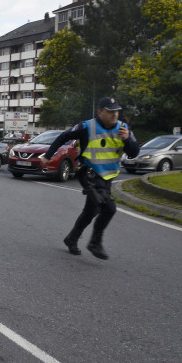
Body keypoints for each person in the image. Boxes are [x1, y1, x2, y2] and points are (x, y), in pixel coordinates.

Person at [39, 97, 139, 260]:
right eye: (110, 111)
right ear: (100, 112)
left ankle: (71, 239)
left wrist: (127, 139)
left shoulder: (123, 129)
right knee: (109, 208)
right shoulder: (87, 127)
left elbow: (134, 153)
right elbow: (63, 137)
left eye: (116, 111)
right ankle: (95, 242)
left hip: (108, 177)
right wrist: (48, 156)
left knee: (91, 211)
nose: (114, 115)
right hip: (89, 174)